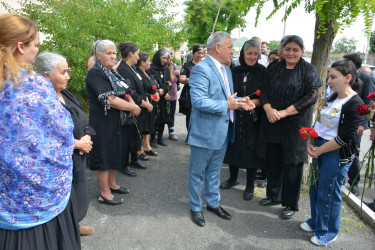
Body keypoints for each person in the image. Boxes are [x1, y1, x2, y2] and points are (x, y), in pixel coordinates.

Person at [0, 13, 80, 249]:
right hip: (37, 200)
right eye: (35, 45)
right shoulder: (34, 85)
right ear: (20, 46)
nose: (37, 51)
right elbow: (62, 130)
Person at [188, 31, 255, 227]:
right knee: (197, 172)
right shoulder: (201, 69)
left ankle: (213, 202)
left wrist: (242, 102)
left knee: (215, 171)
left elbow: (227, 98)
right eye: (230, 48)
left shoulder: (226, 70)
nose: (233, 52)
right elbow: (199, 102)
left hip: (223, 130)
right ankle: (196, 206)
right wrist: (227, 105)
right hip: (205, 132)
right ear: (218, 47)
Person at [257, 35, 321, 219]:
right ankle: (273, 195)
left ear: (302, 51)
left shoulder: (308, 70)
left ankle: (290, 204)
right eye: (288, 49)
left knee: (292, 165)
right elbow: (264, 90)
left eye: (295, 49)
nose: (291, 53)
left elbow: (311, 97)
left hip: (295, 125)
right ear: (282, 50)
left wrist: (284, 112)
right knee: (274, 160)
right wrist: (268, 109)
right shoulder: (274, 67)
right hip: (273, 122)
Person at [302, 60, 364, 246]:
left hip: (335, 153)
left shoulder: (355, 103)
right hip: (320, 148)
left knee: (328, 193)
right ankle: (316, 222)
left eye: (333, 77)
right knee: (315, 188)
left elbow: (345, 138)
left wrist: (320, 149)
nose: (329, 80)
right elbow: (319, 122)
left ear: (348, 78)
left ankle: (328, 232)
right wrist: (310, 141)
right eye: (329, 76)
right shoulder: (331, 97)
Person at [35, 51, 95, 236]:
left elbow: (81, 117)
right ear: (46, 76)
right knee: (66, 197)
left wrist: (87, 136)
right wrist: (78, 144)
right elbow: (43, 138)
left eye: (67, 71)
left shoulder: (64, 92)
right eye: (63, 72)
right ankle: (65, 231)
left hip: (78, 155)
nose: (68, 76)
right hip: (61, 159)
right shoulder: (41, 100)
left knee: (78, 193)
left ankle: (73, 225)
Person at [86, 39, 140, 205]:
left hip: (116, 121)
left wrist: (131, 104)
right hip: (103, 122)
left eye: (114, 53)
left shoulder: (112, 71)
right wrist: (132, 107)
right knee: (104, 155)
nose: (113, 56)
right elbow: (109, 99)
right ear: (98, 55)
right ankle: (105, 193)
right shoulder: (96, 72)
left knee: (113, 153)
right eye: (108, 53)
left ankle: (112, 184)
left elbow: (125, 90)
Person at [221, 40, 267, 200]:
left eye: (256, 54)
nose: (252, 57)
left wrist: (254, 103)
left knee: (251, 150)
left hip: (254, 116)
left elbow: (267, 96)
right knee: (234, 146)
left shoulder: (263, 71)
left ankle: (249, 185)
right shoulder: (234, 71)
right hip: (236, 114)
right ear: (243, 54)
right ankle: (232, 179)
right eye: (249, 53)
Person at [343, 53, 375, 196]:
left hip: (358, 122)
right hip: (343, 120)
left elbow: (368, 102)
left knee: (354, 153)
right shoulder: (344, 76)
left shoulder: (366, 78)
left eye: (346, 63)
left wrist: (362, 124)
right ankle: (341, 180)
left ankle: (354, 183)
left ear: (355, 65)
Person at [117, 42, 149, 173]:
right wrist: (144, 104)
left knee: (136, 134)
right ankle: (125, 164)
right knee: (128, 137)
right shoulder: (123, 70)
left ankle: (135, 159)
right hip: (130, 107)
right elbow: (130, 91)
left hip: (138, 107)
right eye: (137, 54)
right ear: (130, 54)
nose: (138, 57)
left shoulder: (133, 68)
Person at [136, 52, 160, 157]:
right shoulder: (137, 73)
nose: (150, 63)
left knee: (148, 126)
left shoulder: (147, 72)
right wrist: (151, 97)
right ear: (142, 62)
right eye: (148, 61)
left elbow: (154, 84)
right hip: (144, 103)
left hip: (152, 104)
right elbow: (140, 90)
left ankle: (147, 146)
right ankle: (139, 149)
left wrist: (157, 93)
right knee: (142, 127)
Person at [178, 45, 205, 136]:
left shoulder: (205, 64)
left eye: (202, 53)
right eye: (198, 53)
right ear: (193, 54)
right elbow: (182, 79)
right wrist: (196, 79)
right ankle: (190, 135)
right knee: (190, 116)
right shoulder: (187, 65)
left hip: (203, 93)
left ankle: (199, 135)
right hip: (189, 94)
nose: (201, 55)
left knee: (202, 115)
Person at [148, 48, 172, 147]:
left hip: (164, 98)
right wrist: (158, 91)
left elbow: (169, 82)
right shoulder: (150, 68)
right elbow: (149, 82)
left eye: (167, 58)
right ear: (158, 57)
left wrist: (165, 91)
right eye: (163, 58)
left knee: (163, 118)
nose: (165, 61)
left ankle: (160, 138)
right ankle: (153, 139)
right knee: (155, 118)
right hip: (155, 97)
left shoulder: (165, 69)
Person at [167, 52, 180, 141]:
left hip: (173, 93)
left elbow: (179, 80)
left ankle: (171, 132)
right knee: (162, 113)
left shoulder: (174, 66)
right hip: (164, 94)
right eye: (169, 57)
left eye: (171, 57)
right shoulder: (162, 67)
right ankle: (157, 132)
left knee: (172, 113)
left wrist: (178, 74)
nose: (170, 59)